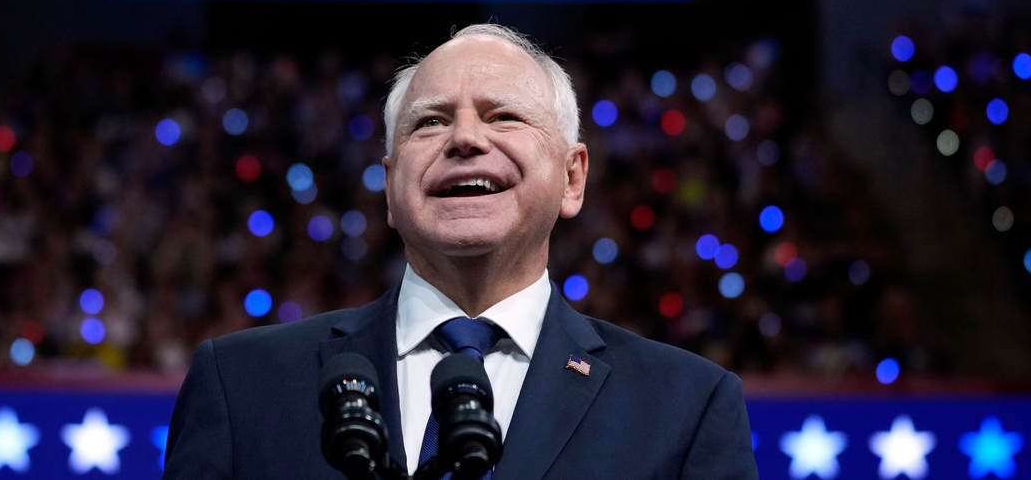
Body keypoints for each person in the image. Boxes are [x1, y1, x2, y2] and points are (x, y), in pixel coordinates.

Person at [162, 25, 758, 479]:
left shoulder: (686, 405)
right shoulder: (241, 385)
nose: (467, 138)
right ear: (392, 189)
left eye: (504, 116)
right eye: (430, 123)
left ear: (573, 178)